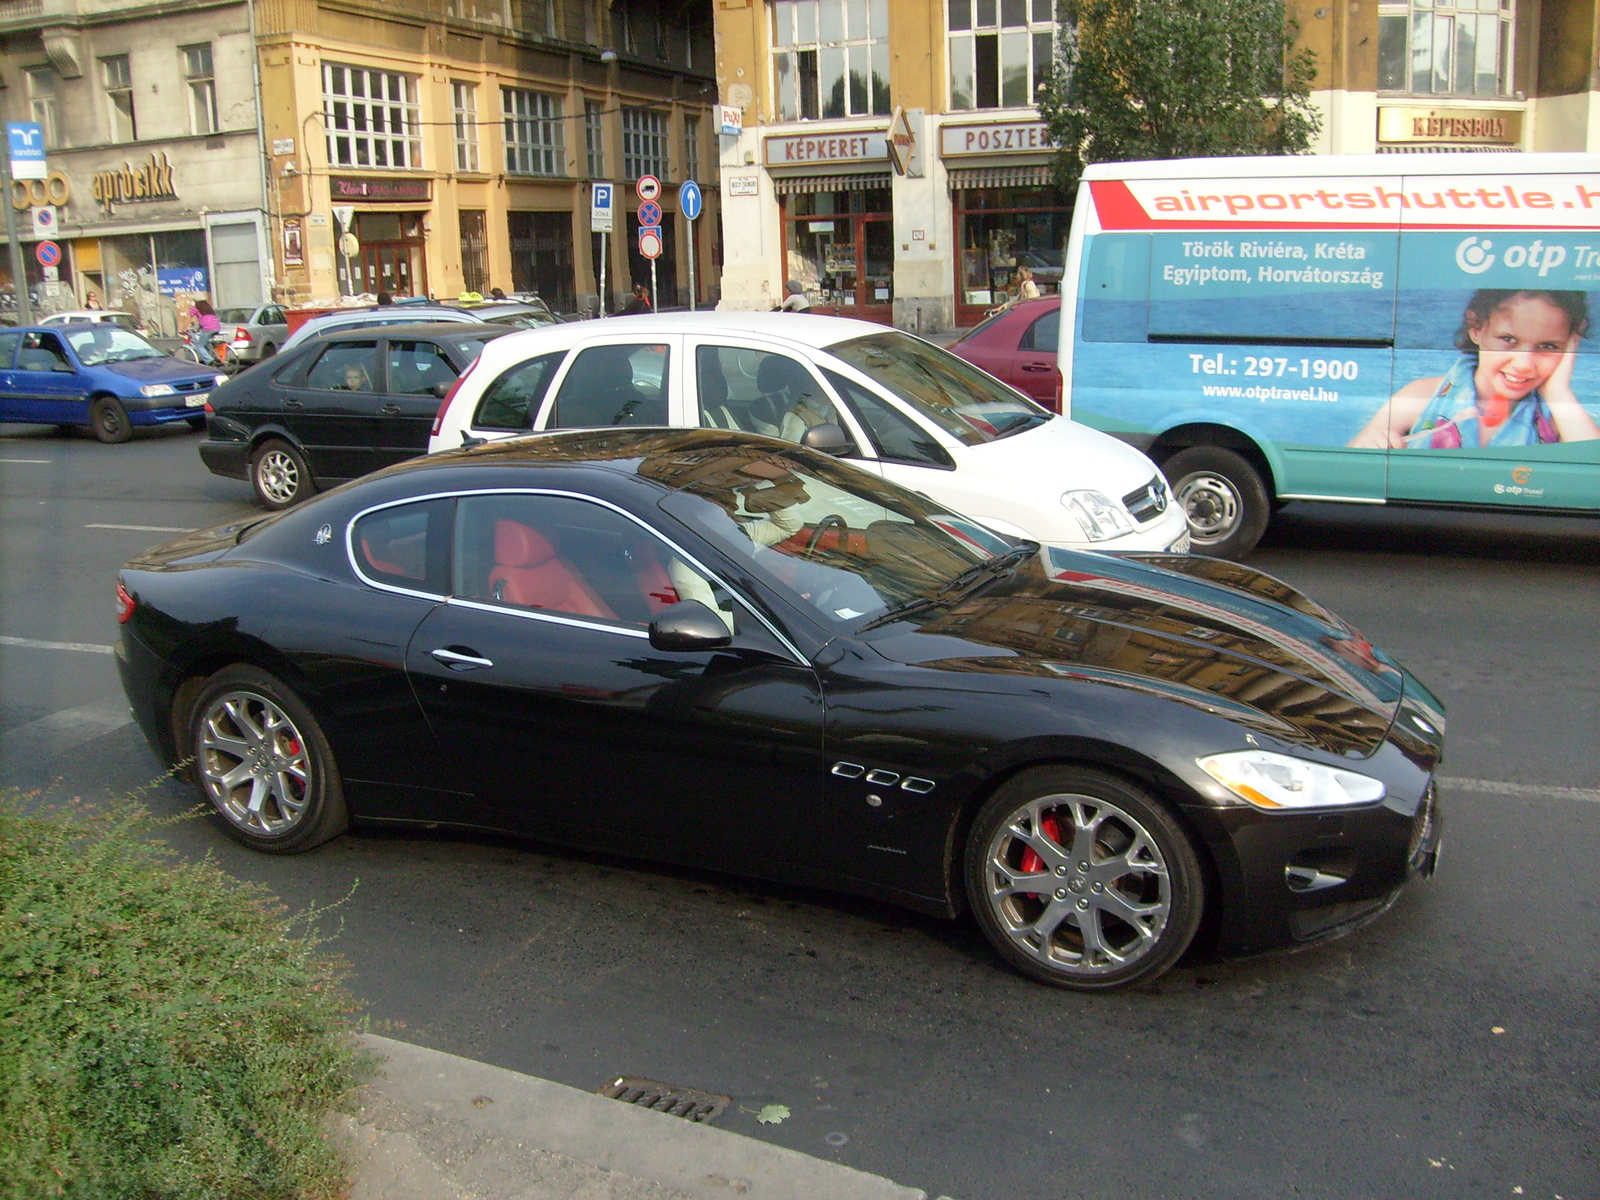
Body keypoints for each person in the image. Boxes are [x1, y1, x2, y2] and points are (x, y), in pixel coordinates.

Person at [1349, 289, 1600, 449]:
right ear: (1476, 328)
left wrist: (1558, 393)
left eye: (1548, 346)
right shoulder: (1422, 396)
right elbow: (1351, 463)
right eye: (1508, 340)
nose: (1524, 364)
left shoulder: (1558, 419)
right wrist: (1367, 447)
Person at [187, 298, 222, 366]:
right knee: (205, 343)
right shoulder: (208, 309)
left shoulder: (196, 308)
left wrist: (186, 327)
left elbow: (189, 317)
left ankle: (210, 360)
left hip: (208, 328)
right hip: (217, 327)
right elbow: (206, 320)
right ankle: (214, 357)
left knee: (199, 346)